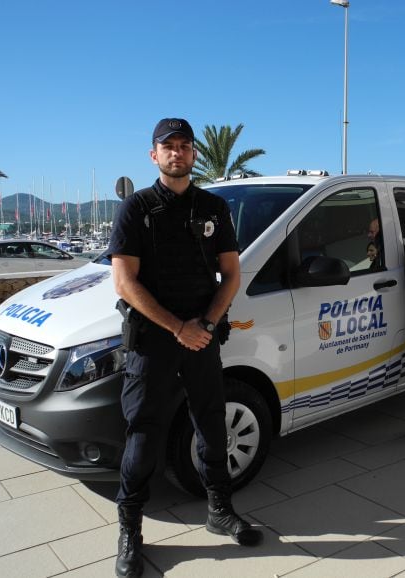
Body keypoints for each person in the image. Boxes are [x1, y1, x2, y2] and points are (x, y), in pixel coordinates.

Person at [108, 118, 262, 578]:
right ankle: (130, 532)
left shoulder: (214, 206)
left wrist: (208, 323)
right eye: (168, 146)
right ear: (153, 155)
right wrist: (179, 328)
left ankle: (219, 510)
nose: (177, 153)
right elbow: (124, 282)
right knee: (143, 435)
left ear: (194, 154)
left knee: (212, 425)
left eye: (184, 146)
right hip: (155, 341)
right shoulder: (136, 209)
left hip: (202, 335)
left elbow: (232, 275)